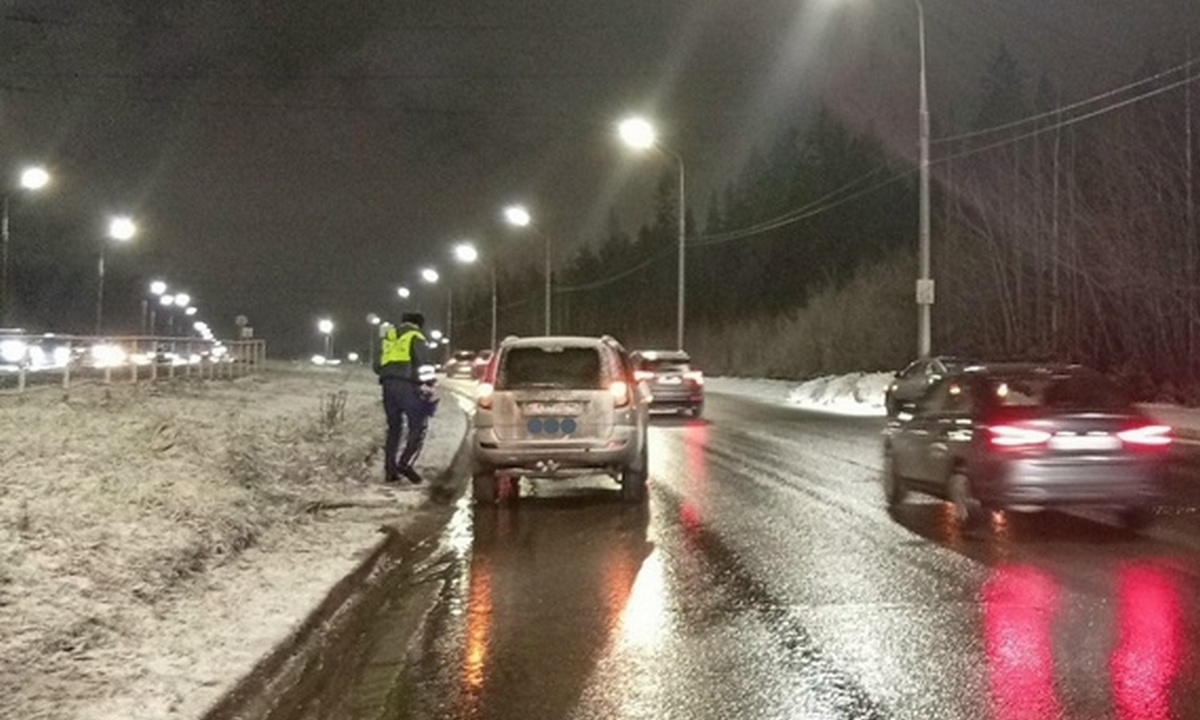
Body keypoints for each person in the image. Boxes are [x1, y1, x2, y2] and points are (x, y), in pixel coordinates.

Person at [374, 312, 439, 484]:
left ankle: (390, 472)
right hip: (408, 387)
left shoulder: (389, 336)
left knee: (394, 429)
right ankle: (405, 464)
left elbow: (377, 365)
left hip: (388, 387)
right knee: (418, 426)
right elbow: (423, 363)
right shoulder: (416, 336)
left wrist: (390, 374)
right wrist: (430, 383)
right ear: (419, 324)